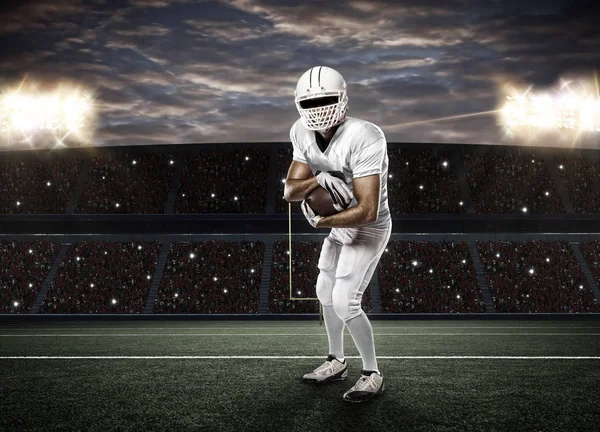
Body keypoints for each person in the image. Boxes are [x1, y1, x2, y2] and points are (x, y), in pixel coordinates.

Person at [284, 66, 392, 403]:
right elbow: (290, 191)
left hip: (368, 228)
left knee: (347, 300)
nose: (319, 109)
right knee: (324, 290)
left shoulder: (366, 135)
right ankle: (336, 360)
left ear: (343, 98)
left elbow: (368, 209)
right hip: (339, 225)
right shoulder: (300, 132)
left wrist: (320, 222)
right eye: (311, 102)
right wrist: (319, 180)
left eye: (327, 100)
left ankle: (372, 373)